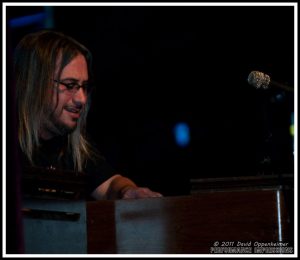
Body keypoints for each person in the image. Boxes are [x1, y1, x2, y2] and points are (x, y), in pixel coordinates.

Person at [14, 30, 162, 200]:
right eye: (70, 85)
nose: (82, 99)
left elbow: (110, 185)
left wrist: (127, 191)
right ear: (34, 83)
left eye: (84, 87)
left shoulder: (70, 145)